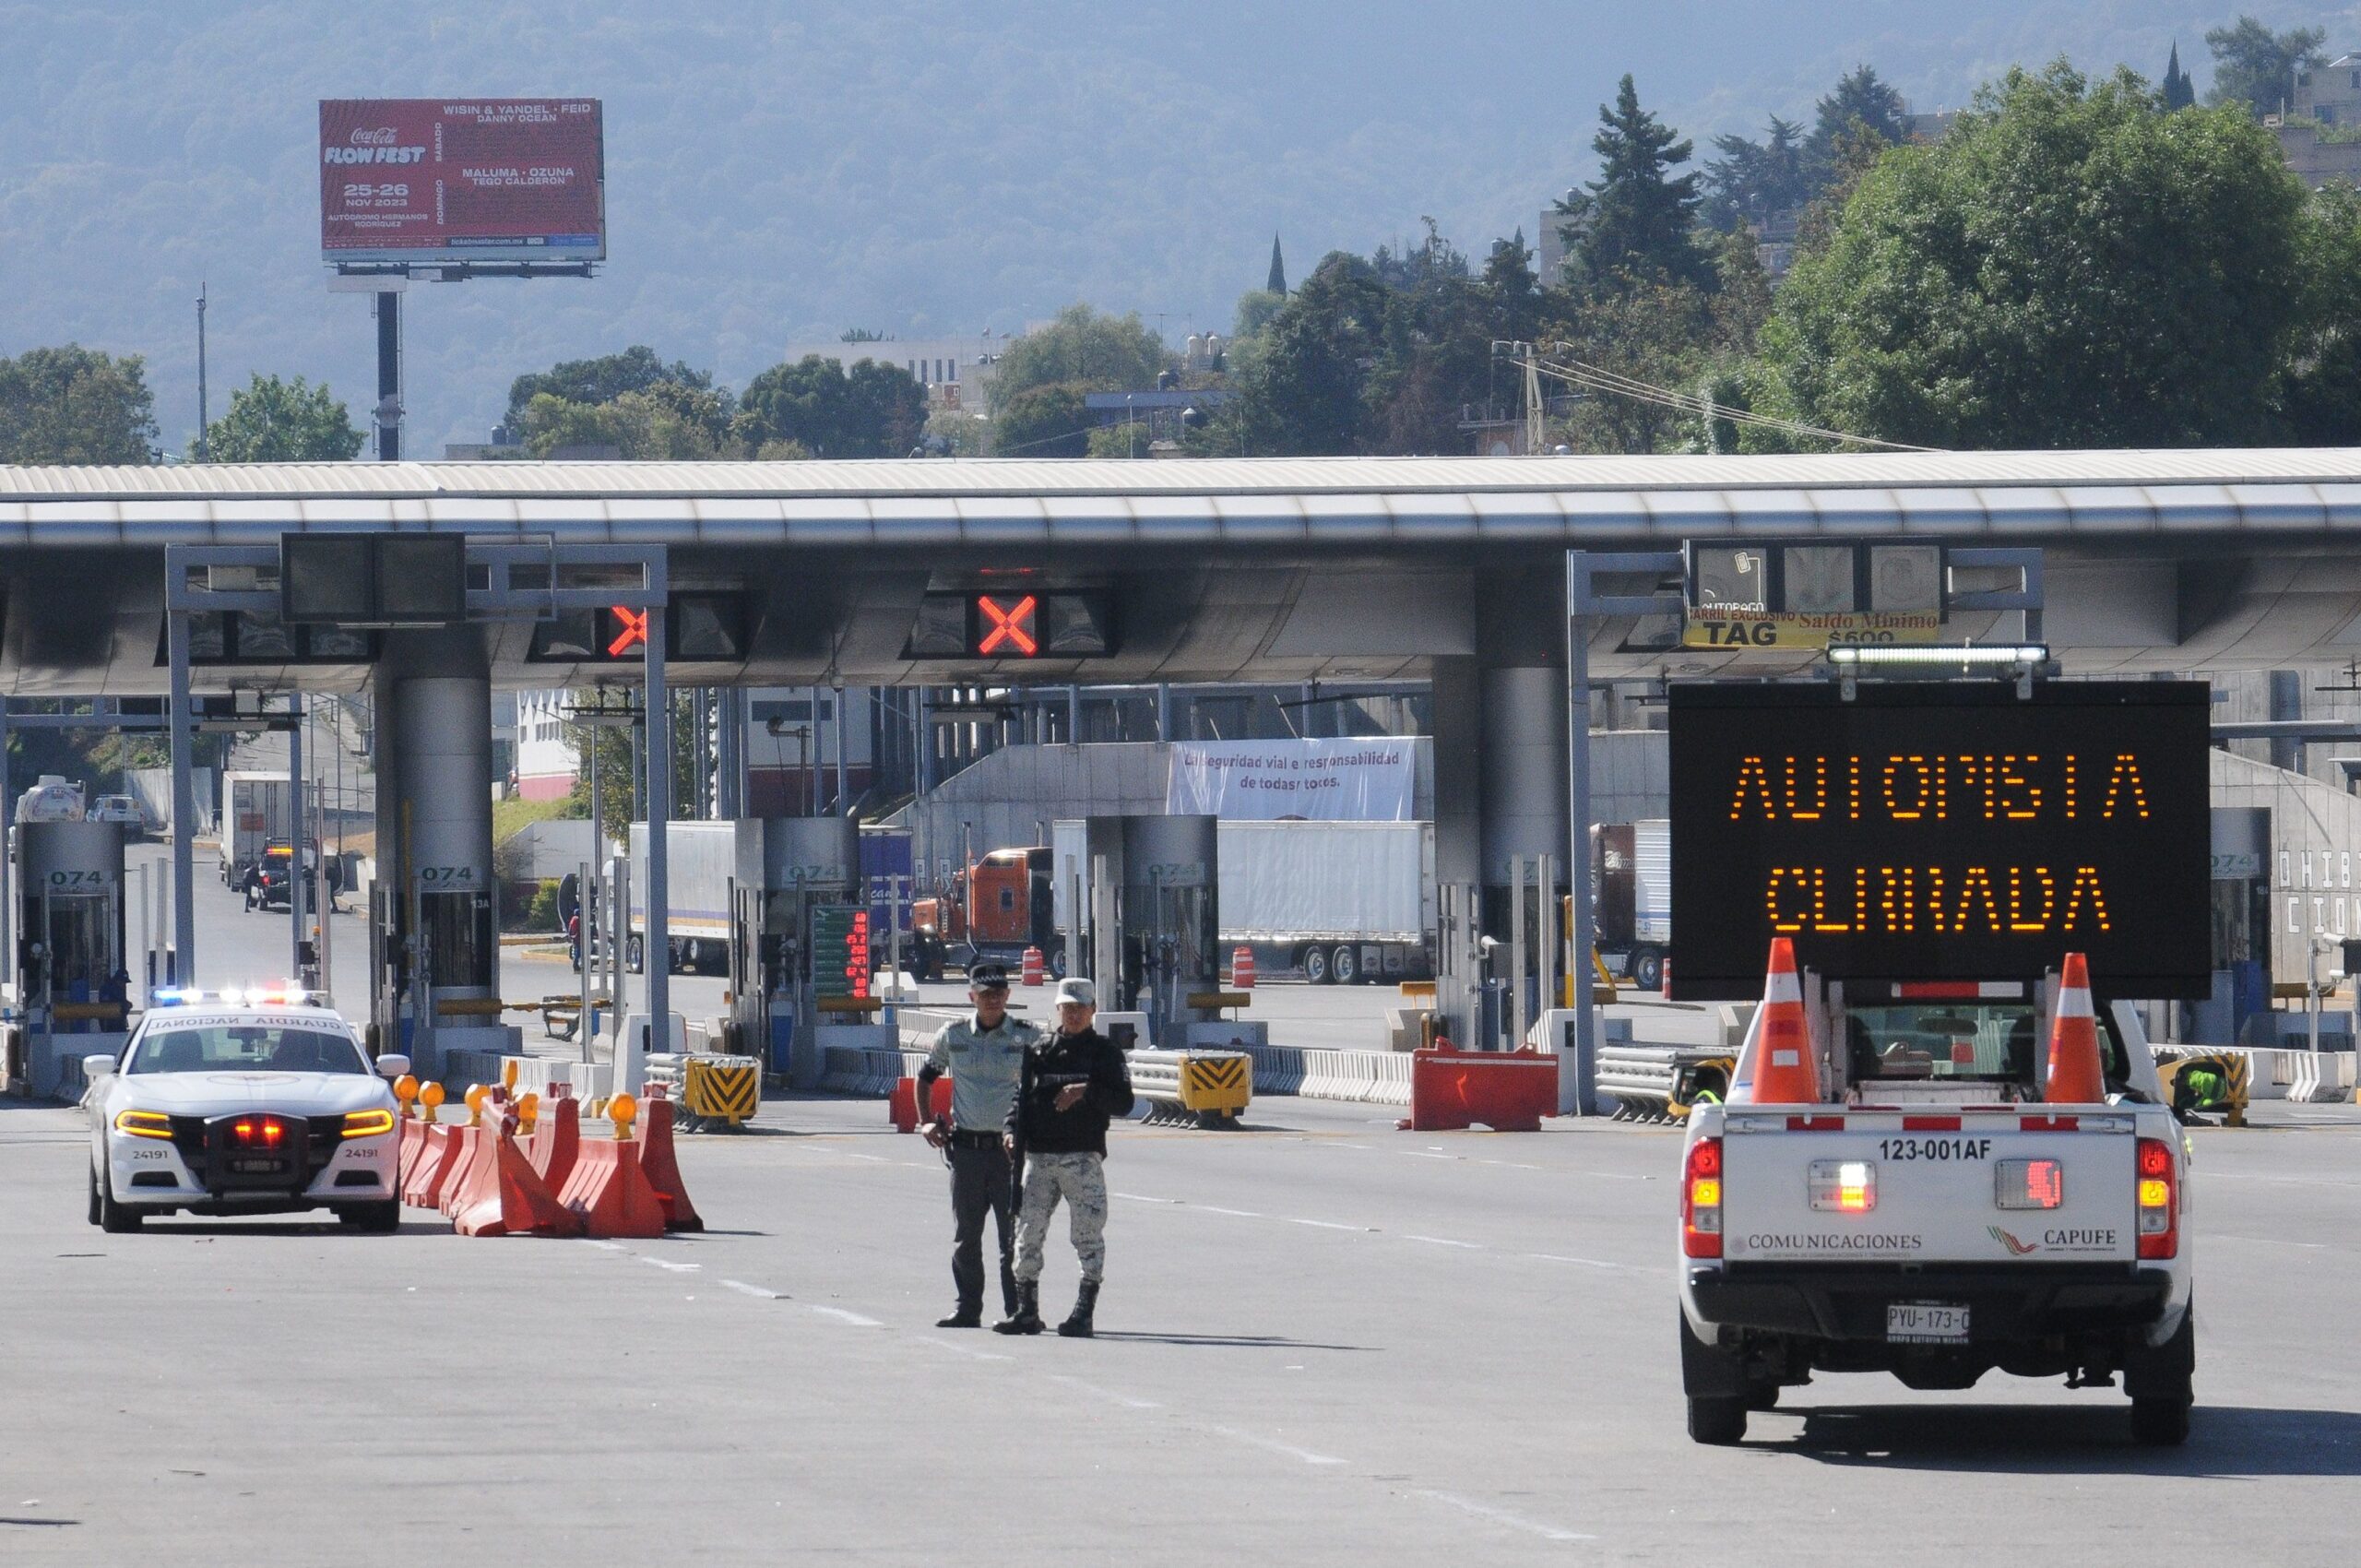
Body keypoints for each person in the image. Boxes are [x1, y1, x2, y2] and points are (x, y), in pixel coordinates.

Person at [998, 976, 1133, 1338]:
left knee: (1087, 1234)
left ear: (1093, 1010)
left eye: (1080, 1008)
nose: (1073, 1014)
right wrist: (1010, 1131)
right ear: (1057, 1009)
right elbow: (1019, 1100)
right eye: (1067, 1007)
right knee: (1027, 1234)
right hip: (1039, 1158)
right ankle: (1027, 1311)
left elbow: (1125, 1102)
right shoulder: (1040, 1050)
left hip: (1081, 1158)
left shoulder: (1104, 1053)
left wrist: (1085, 1091)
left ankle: (1083, 1313)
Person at [916, 961, 1033, 1329]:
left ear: (1008, 996)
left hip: (1010, 1153)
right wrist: (925, 1122)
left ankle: (1017, 1310)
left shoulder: (1028, 1037)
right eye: (985, 995)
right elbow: (925, 1078)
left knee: (1011, 1238)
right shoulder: (954, 1036)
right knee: (967, 1236)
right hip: (966, 1150)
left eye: (998, 994)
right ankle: (968, 1308)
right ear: (972, 997)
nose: (992, 1001)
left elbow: (1044, 1086)